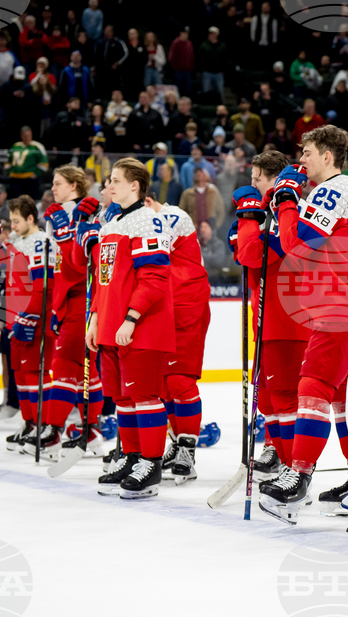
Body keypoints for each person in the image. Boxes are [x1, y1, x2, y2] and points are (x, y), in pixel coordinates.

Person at [257, 125, 348, 524]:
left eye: (307, 152)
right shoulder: (338, 190)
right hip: (344, 301)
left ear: (327, 156)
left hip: (340, 303)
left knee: (313, 386)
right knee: (337, 397)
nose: (300, 160)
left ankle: (298, 475)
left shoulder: (332, 189)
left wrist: (286, 200)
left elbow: (296, 245)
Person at [80, 158, 174, 499]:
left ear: (135, 185)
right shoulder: (111, 224)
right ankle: (132, 455)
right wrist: (95, 318)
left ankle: (151, 462)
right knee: (122, 397)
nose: (109, 186)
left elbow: (155, 276)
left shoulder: (148, 221)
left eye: (116, 180)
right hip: (110, 326)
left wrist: (132, 318)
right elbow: (101, 281)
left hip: (140, 327)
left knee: (145, 396)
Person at [230, 150, 313, 483]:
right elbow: (246, 254)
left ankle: (295, 471)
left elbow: (251, 254)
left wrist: (248, 220)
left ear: (275, 180)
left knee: (285, 398)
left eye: (258, 179)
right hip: (267, 316)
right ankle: (280, 456)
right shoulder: (269, 213)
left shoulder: (287, 214)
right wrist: (246, 223)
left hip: (289, 320)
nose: (252, 186)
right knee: (269, 397)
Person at [29, 166, 103, 459]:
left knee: (63, 364)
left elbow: (80, 264)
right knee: (88, 369)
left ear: (74, 185)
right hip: (67, 300)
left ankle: (53, 428)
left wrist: (67, 232)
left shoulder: (85, 212)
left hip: (83, 298)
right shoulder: (55, 214)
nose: (53, 188)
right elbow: (58, 268)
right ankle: (92, 430)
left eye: (58, 183)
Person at [147, 196, 211, 484]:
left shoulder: (173, 215)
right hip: (161, 306)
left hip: (186, 304)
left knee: (179, 380)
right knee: (162, 384)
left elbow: (155, 245)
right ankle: (177, 441)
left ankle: (187, 448)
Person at [0, 195, 57, 454]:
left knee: (35, 373)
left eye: (16, 221)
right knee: (19, 374)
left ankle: (45, 425)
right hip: (15, 315)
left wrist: (30, 314)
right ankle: (30, 423)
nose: (12, 226)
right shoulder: (17, 241)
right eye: (11, 220)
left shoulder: (42, 242)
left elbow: (43, 284)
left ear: (31, 218)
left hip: (34, 317)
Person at [5, 126, 49, 199]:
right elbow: (8, 160)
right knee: (15, 201)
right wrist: (8, 172)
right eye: (25, 136)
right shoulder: (15, 146)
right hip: (15, 179)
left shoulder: (37, 146)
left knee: (29, 202)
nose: (27, 138)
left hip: (30, 180)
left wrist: (36, 173)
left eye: (29, 135)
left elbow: (44, 163)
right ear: (22, 136)